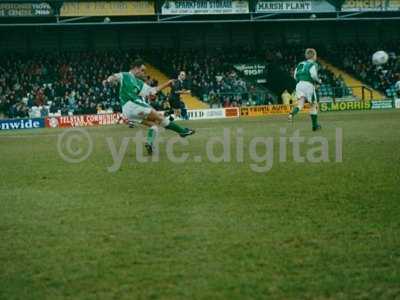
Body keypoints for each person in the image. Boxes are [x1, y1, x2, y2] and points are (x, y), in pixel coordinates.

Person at [104, 59, 195, 155]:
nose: (144, 73)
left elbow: (152, 91)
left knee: (154, 126)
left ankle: (149, 143)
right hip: (132, 105)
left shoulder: (139, 83)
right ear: (135, 68)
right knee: (160, 118)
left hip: (128, 112)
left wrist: (167, 84)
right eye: (142, 70)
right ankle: (182, 131)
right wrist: (107, 81)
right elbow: (114, 77)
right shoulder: (125, 75)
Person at [288, 48, 322, 131]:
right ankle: (315, 126)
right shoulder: (313, 64)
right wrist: (319, 81)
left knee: (300, 104)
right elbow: (313, 75)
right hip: (308, 85)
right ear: (314, 56)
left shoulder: (300, 63)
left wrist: (300, 81)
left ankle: (291, 114)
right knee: (313, 105)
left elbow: (295, 75)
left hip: (299, 85)